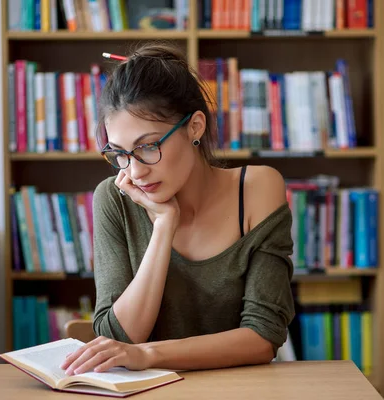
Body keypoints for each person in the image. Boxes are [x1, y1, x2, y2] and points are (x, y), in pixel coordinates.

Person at [60, 42, 295, 376]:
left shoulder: (257, 190)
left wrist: (148, 355)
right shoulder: (113, 198)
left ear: (195, 126)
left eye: (147, 146)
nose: (135, 171)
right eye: (120, 153)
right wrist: (164, 226)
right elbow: (116, 337)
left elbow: (262, 337)